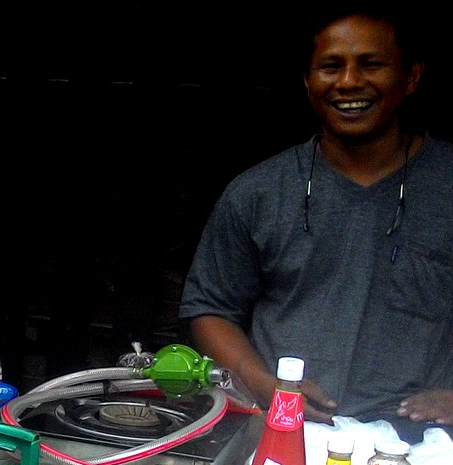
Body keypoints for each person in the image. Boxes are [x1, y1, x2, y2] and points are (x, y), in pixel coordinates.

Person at [179, 5, 453, 440]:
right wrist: (270, 389)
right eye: (331, 67)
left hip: (424, 453)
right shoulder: (258, 192)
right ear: (308, 83)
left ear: (411, 76)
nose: (348, 82)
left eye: (371, 64)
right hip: (282, 437)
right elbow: (210, 308)